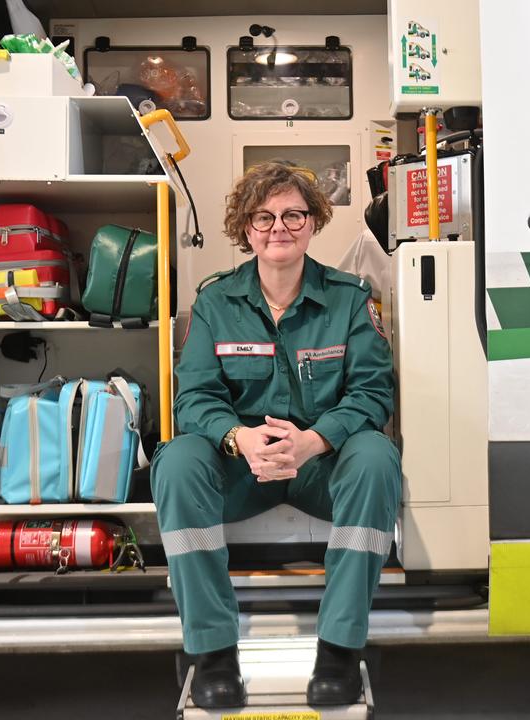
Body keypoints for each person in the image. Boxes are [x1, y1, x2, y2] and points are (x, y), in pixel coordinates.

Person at [151, 162, 400, 708]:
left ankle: (338, 648)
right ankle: (213, 652)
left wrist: (315, 441)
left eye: (293, 214)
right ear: (245, 228)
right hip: (244, 470)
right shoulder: (216, 302)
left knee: (376, 456)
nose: (278, 228)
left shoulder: (349, 298)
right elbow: (194, 397)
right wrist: (238, 438)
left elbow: (373, 392)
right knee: (176, 460)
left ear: (313, 223)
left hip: (322, 469)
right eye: (263, 217)